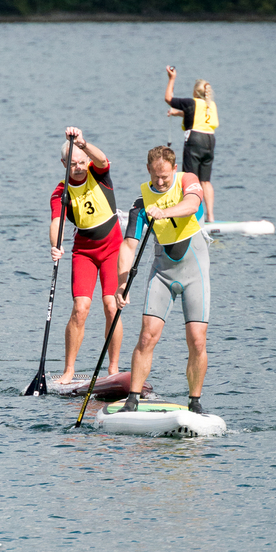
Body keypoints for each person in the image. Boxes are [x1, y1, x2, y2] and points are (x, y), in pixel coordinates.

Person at [115, 145, 210, 413]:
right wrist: (121, 283)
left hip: (195, 270)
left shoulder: (187, 181)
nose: (160, 182)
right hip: (162, 272)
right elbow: (129, 245)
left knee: (197, 339)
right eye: (155, 176)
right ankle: (132, 400)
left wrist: (164, 211)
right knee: (147, 336)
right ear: (148, 171)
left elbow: (192, 205)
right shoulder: (142, 202)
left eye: (165, 177)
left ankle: (195, 403)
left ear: (174, 170)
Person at [50, 126, 123, 385]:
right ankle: (69, 370)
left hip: (113, 248)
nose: (79, 167)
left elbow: (102, 159)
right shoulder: (61, 192)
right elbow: (56, 222)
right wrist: (55, 245)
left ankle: (113, 369)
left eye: (82, 162)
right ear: (63, 164)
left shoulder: (99, 173)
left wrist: (82, 142)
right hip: (85, 252)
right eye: (73, 164)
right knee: (80, 309)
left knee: (111, 306)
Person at [164, 66, 219, 222]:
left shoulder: (191, 102)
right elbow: (194, 114)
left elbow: (168, 99)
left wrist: (171, 79)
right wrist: (177, 113)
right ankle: (211, 216)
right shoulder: (210, 105)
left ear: (195, 93)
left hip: (194, 140)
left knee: (189, 178)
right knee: (205, 181)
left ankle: (190, 215)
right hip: (209, 141)